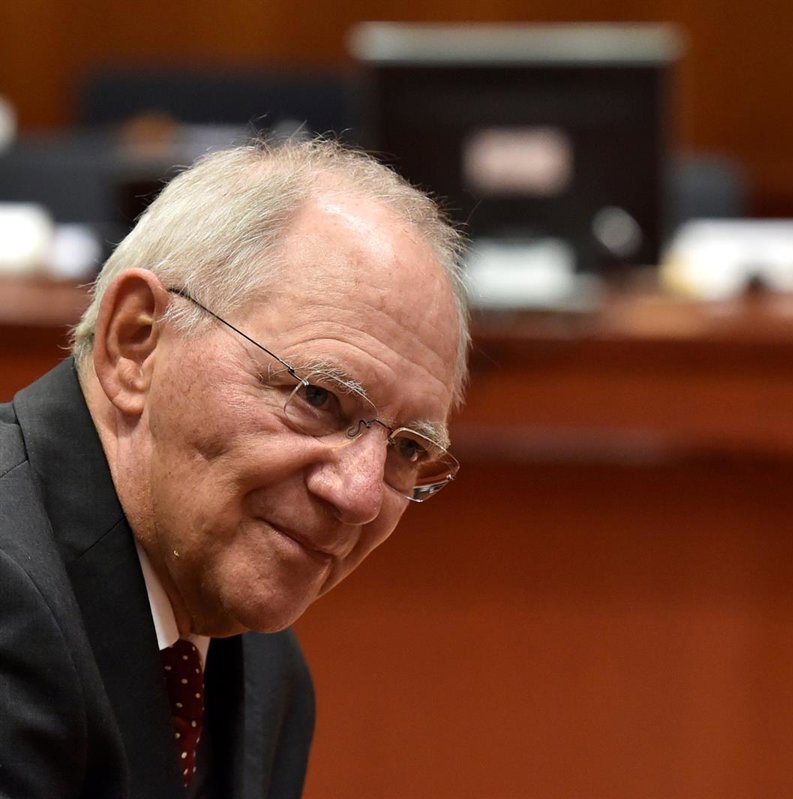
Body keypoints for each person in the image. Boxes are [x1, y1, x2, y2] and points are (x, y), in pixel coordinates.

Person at [0, 138, 470, 798]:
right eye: (317, 397)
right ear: (136, 343)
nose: (361, 495)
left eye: (409, 449)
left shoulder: (263, 671)